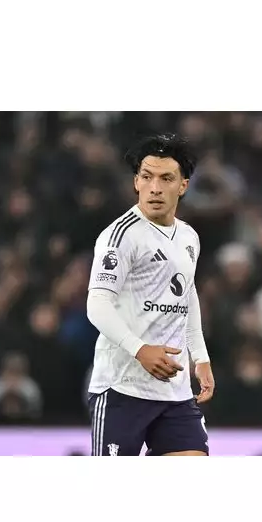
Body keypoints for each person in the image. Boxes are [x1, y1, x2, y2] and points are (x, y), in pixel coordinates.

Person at [85, 132, 215, 456]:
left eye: (166, 178)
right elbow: (97, 304)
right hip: (122, 388)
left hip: (174, 394)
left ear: (183, 185)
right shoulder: (120, 236)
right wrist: (140, 350)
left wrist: (200, 357)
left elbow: (187, 294)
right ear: (136, 182)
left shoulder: (189, 236)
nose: (155, 187)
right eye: (147, 177)